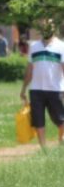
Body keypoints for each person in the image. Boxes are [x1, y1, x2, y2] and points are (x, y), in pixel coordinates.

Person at [19, 19, 64, 149]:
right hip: (36, 89)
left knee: (61, 119)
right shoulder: (34, 47)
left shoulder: (61, 46)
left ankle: (61, 141)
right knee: (38, 121)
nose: (46, 30)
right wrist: (23, 89)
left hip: (56, 89)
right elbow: (29, 69)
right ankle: (43, 149)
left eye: (48, 27)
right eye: (43, 27)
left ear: (53, 29)